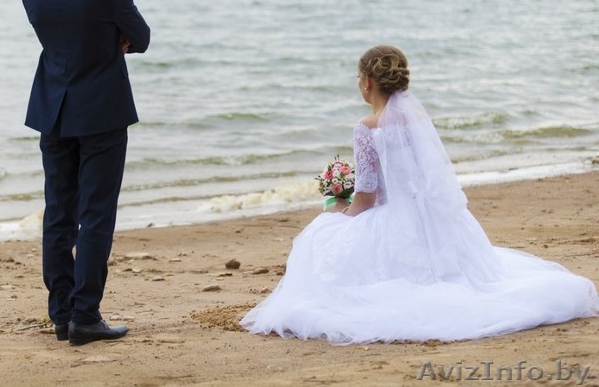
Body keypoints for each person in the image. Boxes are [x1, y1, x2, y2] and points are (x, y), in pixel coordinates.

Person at [241, 45, 598, 344]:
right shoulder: (419, 121)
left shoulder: (366, 128)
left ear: (367, 82)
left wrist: (339, 209)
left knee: (321, 235)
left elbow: (365, 197)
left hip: (393, 220)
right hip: (434, 218)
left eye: (358, 79)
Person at [21, 0, 150, 346]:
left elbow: (59, 38)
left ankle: (60, 314)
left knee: (58, 212)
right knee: (95, 214)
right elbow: (144, 37)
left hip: (52, 109)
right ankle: (85, 315)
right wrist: (115, 40)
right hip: (101, 112)